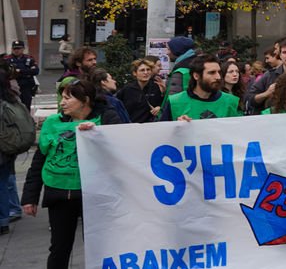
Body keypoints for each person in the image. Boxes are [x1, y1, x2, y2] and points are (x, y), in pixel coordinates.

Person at [22, 78, 121, 269]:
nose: (62, 103)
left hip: (94, 196)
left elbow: (123, 147)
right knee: (59, 248)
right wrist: (30, 197)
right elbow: (38, 161)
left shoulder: (107, 118)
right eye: (62, 98)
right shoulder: (52, 123)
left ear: (85, 100)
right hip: (58, 194)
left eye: (68, 98)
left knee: (99, 247)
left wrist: (98, 135)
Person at [158, 55, 242, 121]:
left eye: (219, 72)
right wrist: (176, 126)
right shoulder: (175, 102)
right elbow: (163, 132)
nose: (218, 77)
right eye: (212, 73)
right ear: (196, 76)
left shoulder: (231, 102)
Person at [0, 69, 26, 232]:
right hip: (10, 147)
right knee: (3, 183)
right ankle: (5, 218)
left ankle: (4, 218)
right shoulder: (12, 98)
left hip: (3, 147)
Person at [115, 59, 164, 123]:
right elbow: (117, 106)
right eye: (142, 70)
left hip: (150, 125)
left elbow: (163, 104)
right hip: (130, 125)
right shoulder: (127, 89)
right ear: (135, 73)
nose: (146, 72)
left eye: (148, 70)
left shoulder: (156, 87)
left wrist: (159, 108)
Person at [3, 41, 38, 108]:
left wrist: (20, 71)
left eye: (18, 48)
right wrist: (25, 71)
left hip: (26, 86)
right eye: (14, 49)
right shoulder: (7, 59)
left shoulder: (29, 59)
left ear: (23, 49)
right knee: (13, 106)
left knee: (26, 105)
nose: (16, 50)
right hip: (11, 87)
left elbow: (35, 71)